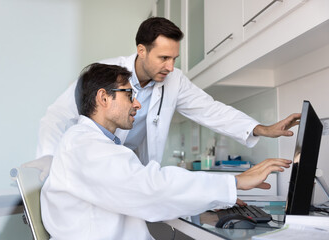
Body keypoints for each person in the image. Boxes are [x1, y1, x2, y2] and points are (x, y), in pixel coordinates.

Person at [40, 63, 292, 239]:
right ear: (104, 98)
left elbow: (210, 110)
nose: (137, 103)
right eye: (129, 94)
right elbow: (149, 188)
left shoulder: (96, 144)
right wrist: (234, 182)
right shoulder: (85, 147)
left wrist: (215, 196)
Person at [28, 17, 300, 180]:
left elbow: (210, 110)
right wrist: (48, 156)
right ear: (141, 50)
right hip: (92, 162)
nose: (170, 67)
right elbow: (56, 115)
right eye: (163, 58)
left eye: (174, 59)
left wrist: (261, 129)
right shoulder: (104, 75)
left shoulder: (174, 80)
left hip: (132, 169)